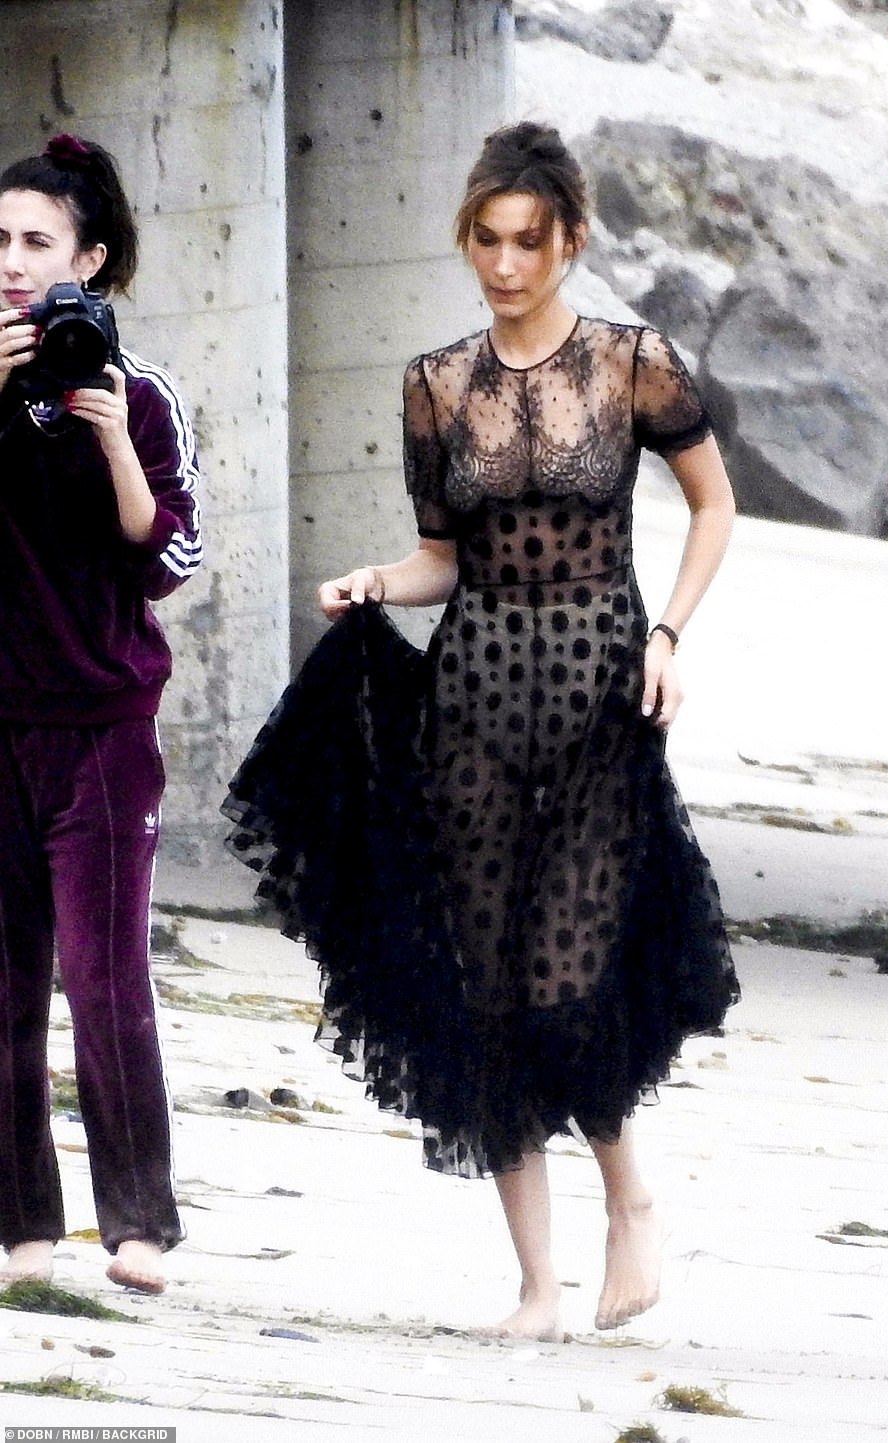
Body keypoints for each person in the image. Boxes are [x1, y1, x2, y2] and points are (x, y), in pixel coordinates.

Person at [227, 120, 739, 1340]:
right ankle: (535, 1287)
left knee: (566, 984)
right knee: (488, 995)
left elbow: (713, 507)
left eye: (526, 242)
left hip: (600, 707)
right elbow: (440, 562)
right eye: (486, 240)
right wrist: (372, 581)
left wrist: (667, 635)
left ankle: (628, 1198)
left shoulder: (631, 364)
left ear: (568, 243)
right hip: (469, 712)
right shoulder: (434, 384)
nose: (503, 265)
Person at [0, 133, 202, 1295]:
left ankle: (138, 1228)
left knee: (105, 982)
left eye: (38, 242)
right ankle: (23, 1230)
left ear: (90, 261)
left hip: (104, 734)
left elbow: (167, 557)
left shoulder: (144, 395)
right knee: (4, 991)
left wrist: (115, 437)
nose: (12, 263)